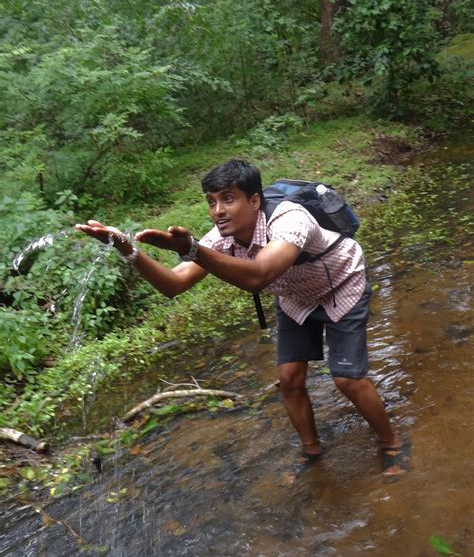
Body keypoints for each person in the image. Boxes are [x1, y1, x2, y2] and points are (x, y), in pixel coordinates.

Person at [76, 158, 404, 477]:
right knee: (289, 379)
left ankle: (392, 445)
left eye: (228, 199)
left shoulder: (290, 218)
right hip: (294, 297)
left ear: (255, 200)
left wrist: (192, 250)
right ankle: (312, 451)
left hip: (341, 284)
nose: (218, 210)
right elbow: (174, 284)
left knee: (347, 378)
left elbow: (258, 276)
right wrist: (126, 249)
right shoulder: (219, 238)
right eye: (212, 201)